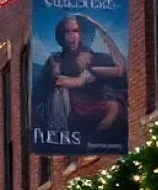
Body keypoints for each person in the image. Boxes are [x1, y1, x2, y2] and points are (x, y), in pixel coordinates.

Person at [37, 13, 128, 143]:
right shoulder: (55, 60)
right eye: (67, 32)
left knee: (114, 109)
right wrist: (58, 80)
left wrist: (85, 77)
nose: (71, 36)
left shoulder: (97, 57)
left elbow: (120, 71)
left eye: (75, 31)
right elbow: (43, 88)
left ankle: (97, 140)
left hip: (95, 105)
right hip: (67, 111)